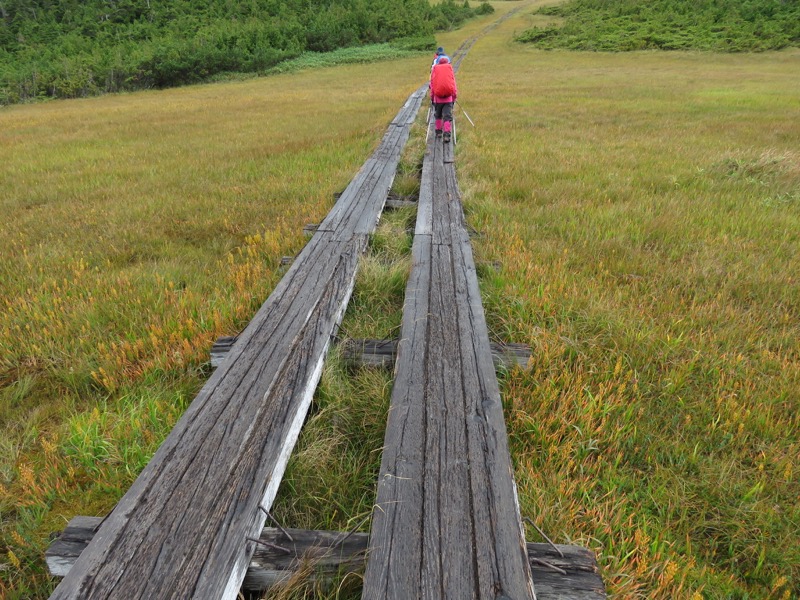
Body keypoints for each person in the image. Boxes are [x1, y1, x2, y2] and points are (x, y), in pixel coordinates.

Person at [430, 55, 457, 143]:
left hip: (437, 99)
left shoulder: (435, 69)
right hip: (448, 98)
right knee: (447, 117)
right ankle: (447, 135)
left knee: (438, 115)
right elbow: (453, 84)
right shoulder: (450, 68)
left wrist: (432, 97)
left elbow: (432, 84)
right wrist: (454, 97)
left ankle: (438, 132)